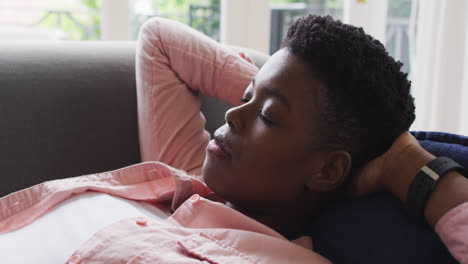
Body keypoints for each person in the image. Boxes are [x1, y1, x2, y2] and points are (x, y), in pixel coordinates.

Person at [0, 15, 467, 263]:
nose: (234, 116)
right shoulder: (188, 171)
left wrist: (412, 165)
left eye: (266, 115)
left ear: (328, 169)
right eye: (245, 95)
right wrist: (274, 94)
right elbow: (160, 41)